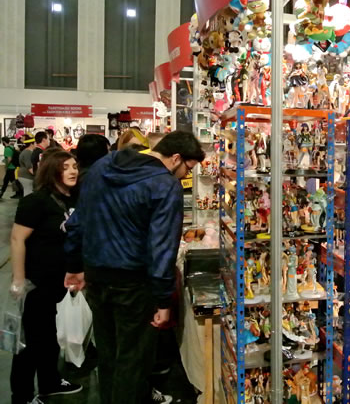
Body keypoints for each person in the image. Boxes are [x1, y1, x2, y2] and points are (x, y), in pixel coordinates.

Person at [63, 131, 205, 404]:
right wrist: (163, 299)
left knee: (108, 354)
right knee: (133, 361)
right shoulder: (165, 185)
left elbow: (78, 220)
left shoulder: (103, 166)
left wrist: (74, 264)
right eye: (188, 168)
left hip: (97, 275)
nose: (186, 175)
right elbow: (162, 246)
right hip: (134, 284)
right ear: (176, 158)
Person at [9, 150, 82, 404]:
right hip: (37, 281)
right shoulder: (36, 202)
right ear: (52, 171)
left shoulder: (75, 199)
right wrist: (19, 280)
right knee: (31, 340)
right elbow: (17, 239)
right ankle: (22, 395)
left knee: (49, 336)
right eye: (65, 167)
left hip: (61, 281)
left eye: (74, 166)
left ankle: (49, 381)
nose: (72, 171)